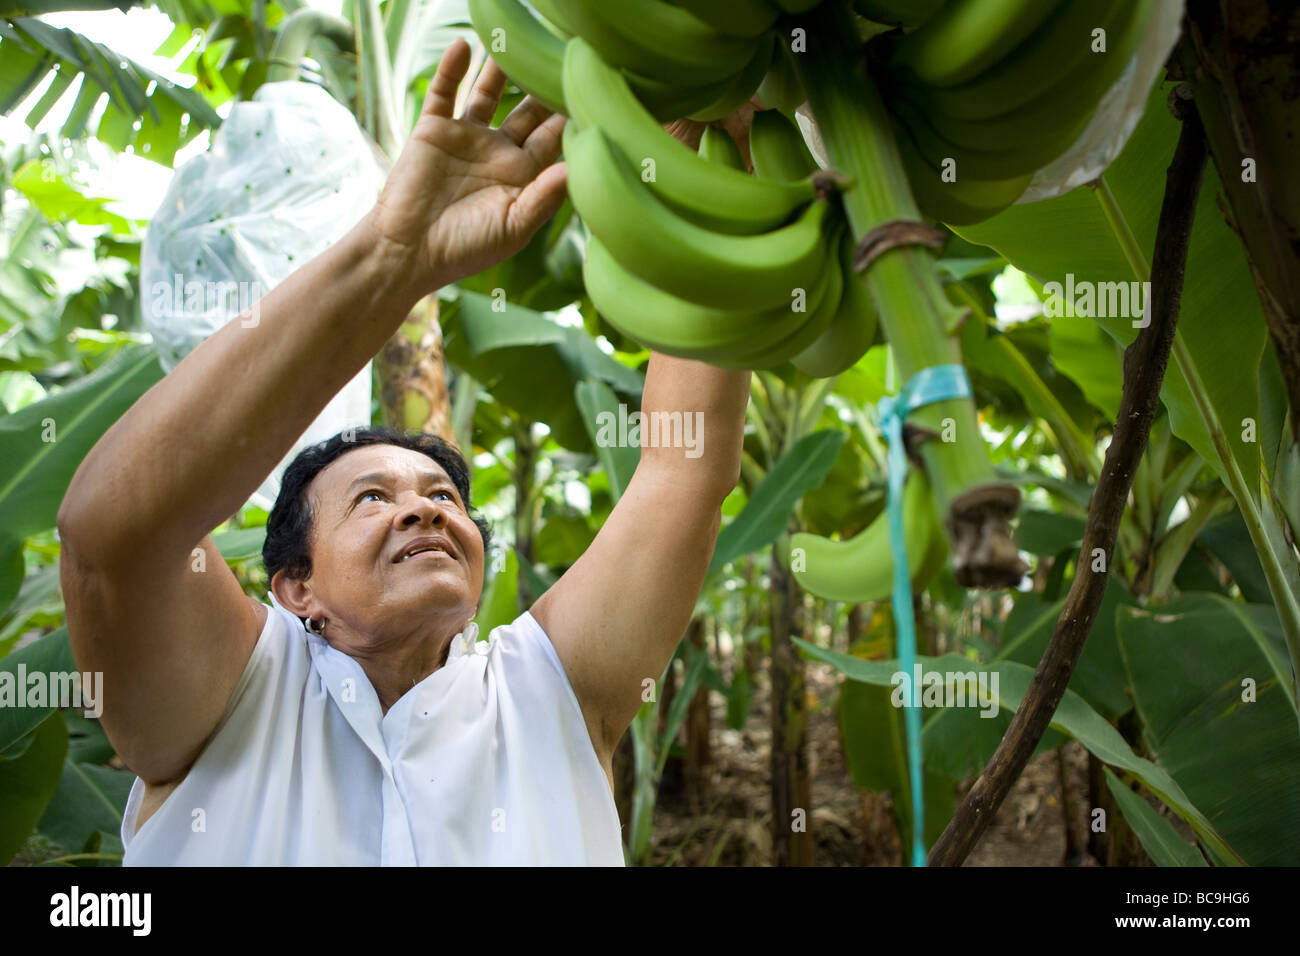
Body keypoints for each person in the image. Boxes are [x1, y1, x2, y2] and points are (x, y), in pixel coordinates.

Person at [56, 39, 751, 865]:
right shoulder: (231, 701)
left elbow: (683, 468)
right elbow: (112, 540)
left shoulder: (547, 691)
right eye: (372, 499)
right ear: (296, 586)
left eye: (444, 497)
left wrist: (726, 156)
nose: (424, 506)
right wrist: (396, 258)